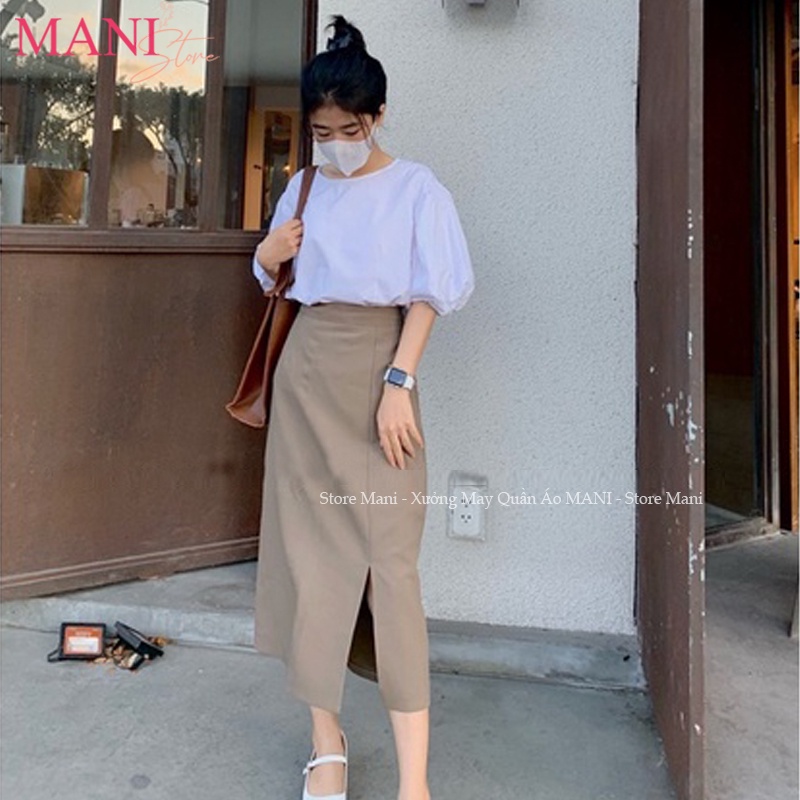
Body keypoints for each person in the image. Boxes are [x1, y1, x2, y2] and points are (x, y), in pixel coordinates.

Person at [251, 15, 475, 800]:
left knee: (391, 571)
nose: (337, 144)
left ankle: (415, 781)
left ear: (378, 116)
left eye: (351, 130)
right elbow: (275, 275)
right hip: (307, 376)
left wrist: (398, 384)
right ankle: (327, 743)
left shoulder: (416, 189)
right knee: (307, 563)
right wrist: (265, 254)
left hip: (382, 368)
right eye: (323, 132)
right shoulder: (304, 186)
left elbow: (429, 296)